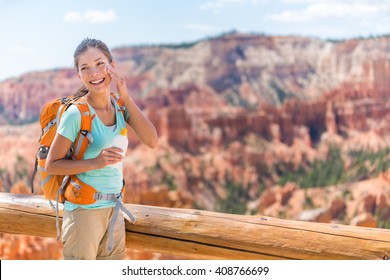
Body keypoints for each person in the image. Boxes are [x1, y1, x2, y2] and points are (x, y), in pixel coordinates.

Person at [45, 38, 158, 260]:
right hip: (83, 213)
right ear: (78, 75)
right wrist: (95, 162)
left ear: (111, 66)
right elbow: (52, 165)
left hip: (114, 208)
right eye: (84, 68)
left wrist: (125, 96)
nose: (93, 73)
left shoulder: (119, 105)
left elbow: (152, 141)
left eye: (99, 64)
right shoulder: (76, 114)